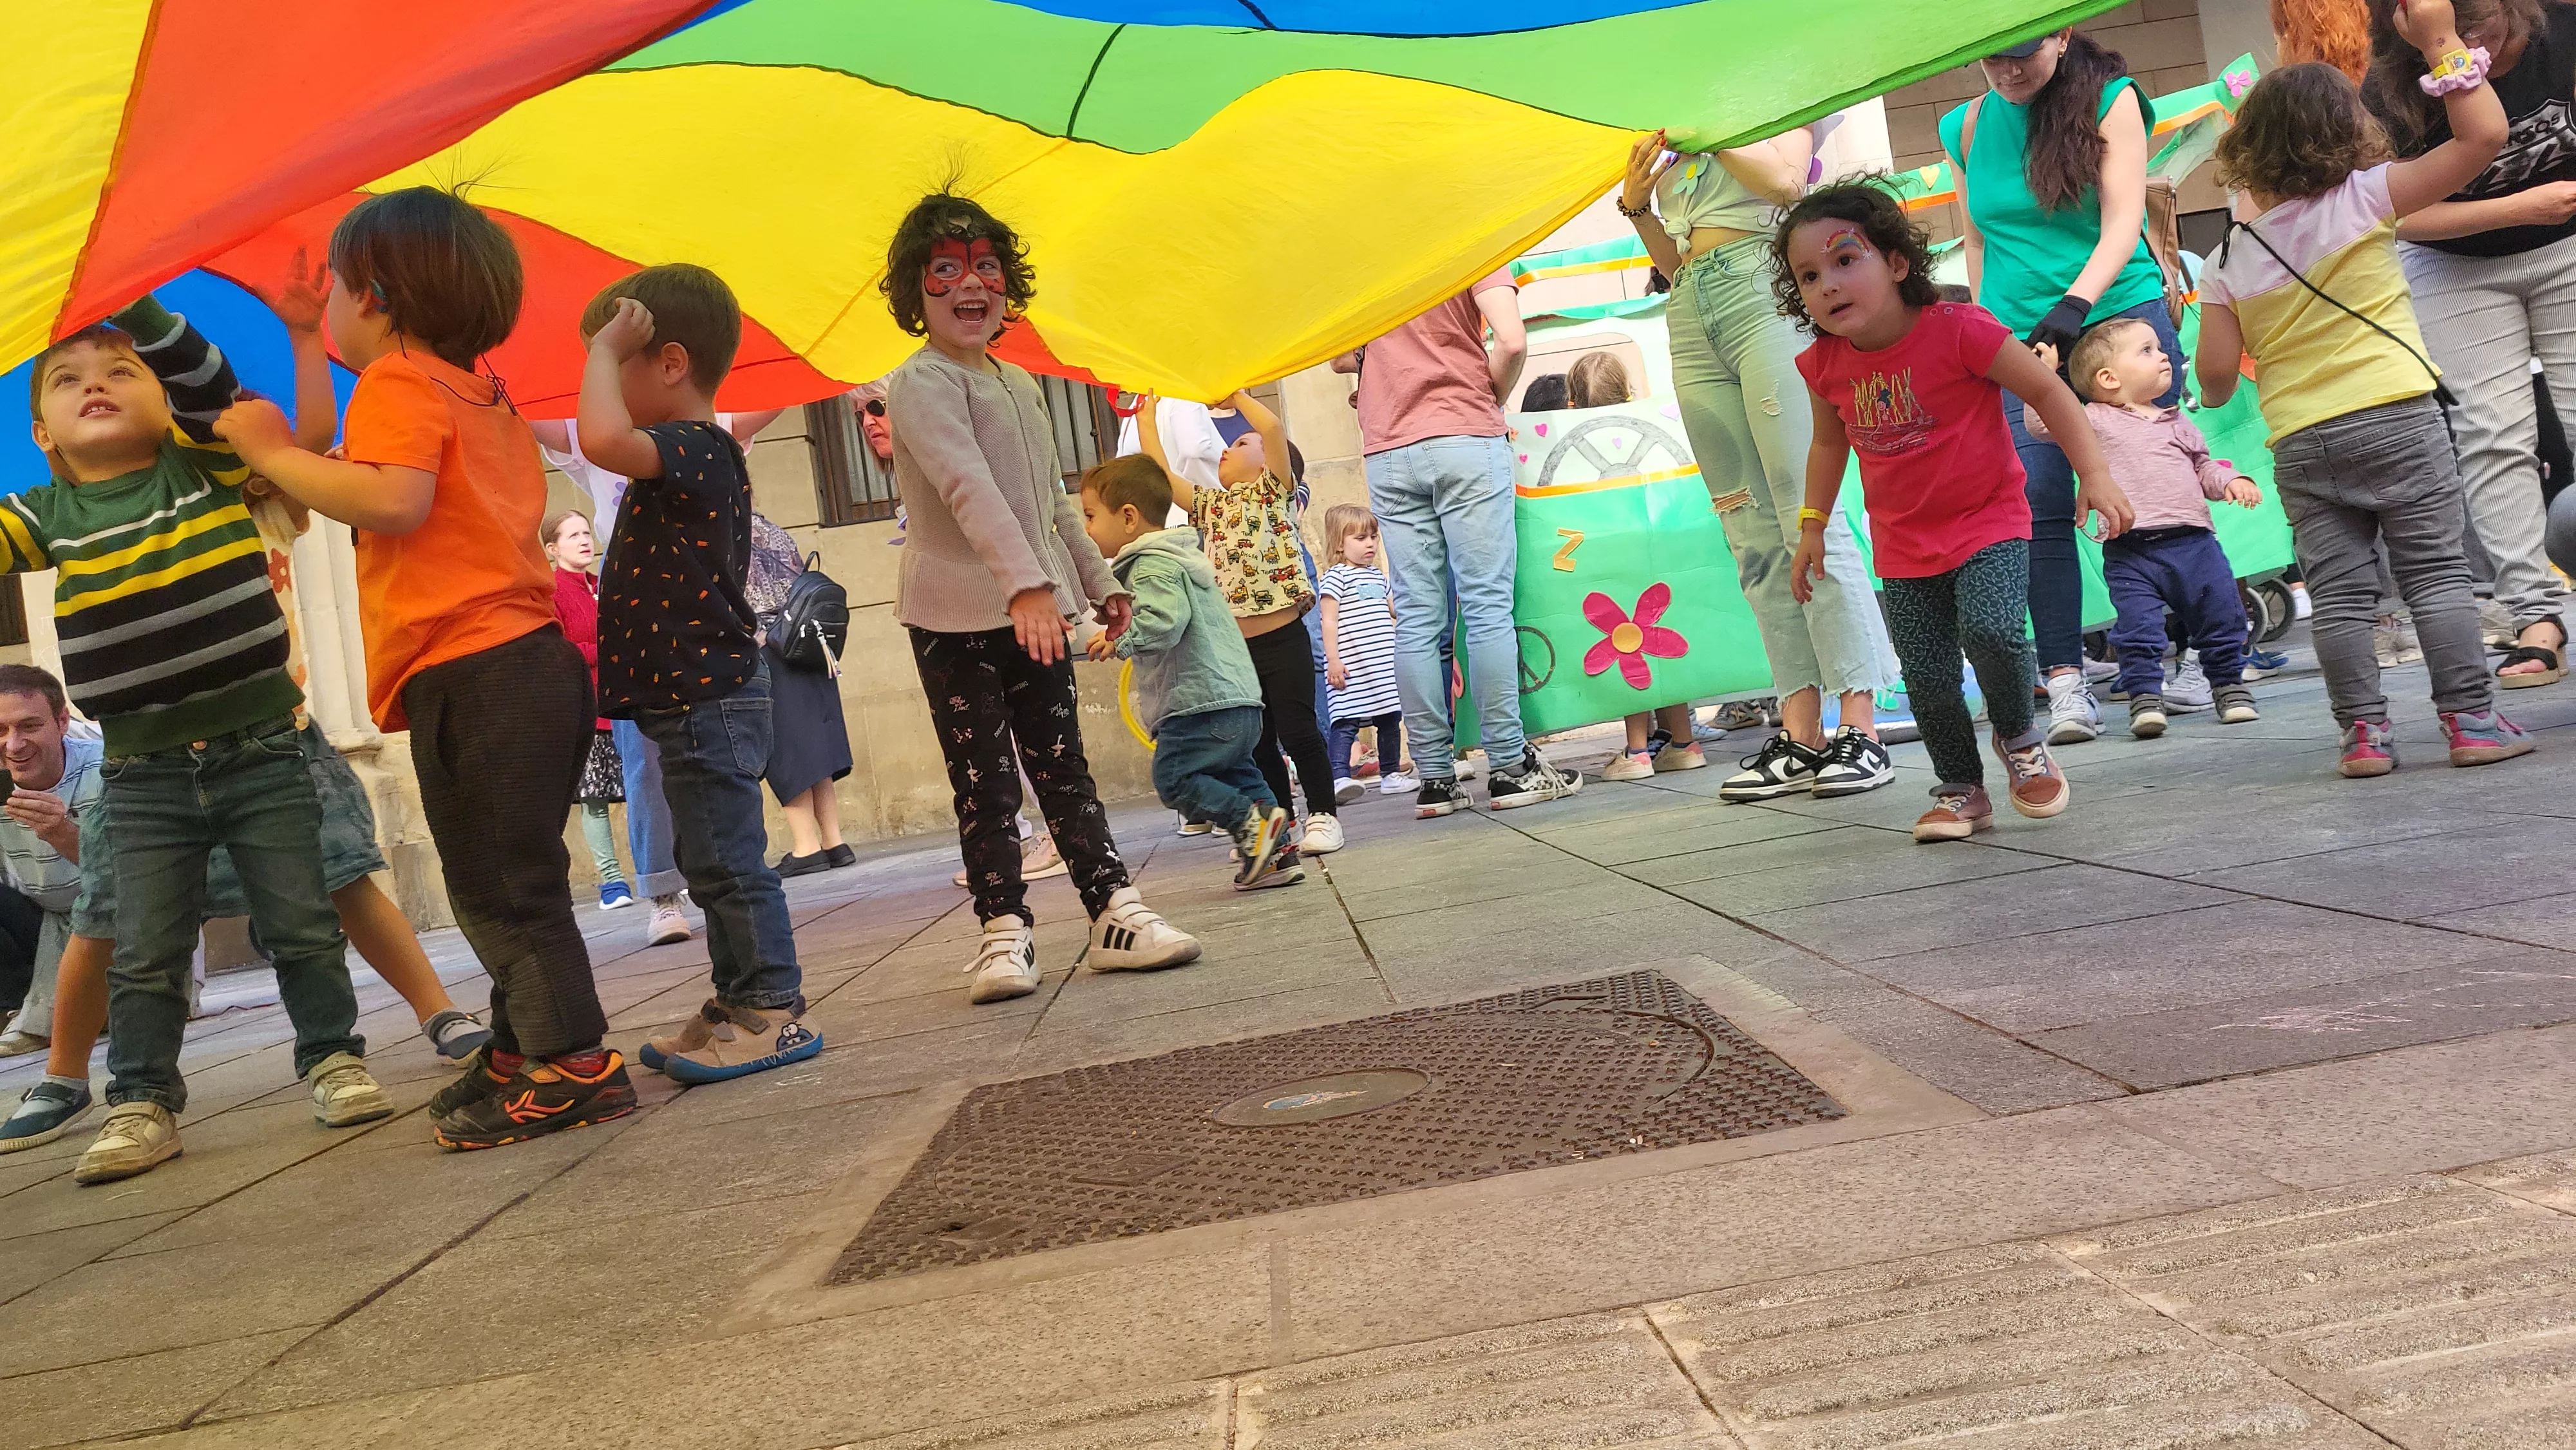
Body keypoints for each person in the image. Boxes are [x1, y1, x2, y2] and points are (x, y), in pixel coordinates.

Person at [220, 185, 632, 1149]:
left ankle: (573, 1063)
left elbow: (387, 499)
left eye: (334, 299)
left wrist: (271, 450)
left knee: (501, 886)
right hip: (524, 665)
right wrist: (297, 348)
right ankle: (523, 1041)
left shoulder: (405, 386)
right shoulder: (471, 385)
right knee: (503, 872)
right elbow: (337, 458)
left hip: (481, 671)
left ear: (374, 297)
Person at [12, 295, 388, 1186]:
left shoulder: (207, 465)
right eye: (68, 381)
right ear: (43, 435)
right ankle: (141, 1101)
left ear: (164, 397)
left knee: (300, 923)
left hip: (259, 747)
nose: (95, 384)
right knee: (143, 949)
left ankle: (334, 1059)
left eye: (121, 369)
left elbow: (211, 385)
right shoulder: (43, 513)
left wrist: (130, 300)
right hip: (141, 772)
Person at [880, 192, 1200, 1004]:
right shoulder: (918, 382)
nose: (968, 286)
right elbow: (967, 485)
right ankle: (1002, 932)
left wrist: (1099, 582)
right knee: (984, 778)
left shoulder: (1018, 384)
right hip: (954, 614)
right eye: (944, 271)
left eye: (985, 266)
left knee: (1063, 766)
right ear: (914, 295)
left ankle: (1113, 912)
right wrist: (1028, 585)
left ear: (1007, 285)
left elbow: (1050, 500)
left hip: (1036, 609)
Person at [2197, 28, 2536, 777]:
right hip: (2396, 413)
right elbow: (2483, 135)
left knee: (2340, 593)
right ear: (2348, 132)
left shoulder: (2228, 259)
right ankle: (2471, 720)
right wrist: (2446, 47)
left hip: (2302, 440)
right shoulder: (2366, 198)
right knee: (2436, 574)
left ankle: (2363, 736)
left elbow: (2215, 378)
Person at [1776, 183, 2129, 843]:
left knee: (1994, 633)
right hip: (1903, 544)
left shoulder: (1960, 329)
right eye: (1808, 276)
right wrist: (1811, 526)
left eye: (1846, 260)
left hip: (1987, 521)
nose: (1826, 284)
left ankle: (2021, 739)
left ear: (1899, 263)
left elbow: (2049, 391)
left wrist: (2096, 473)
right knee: (1929, 675)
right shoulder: (1823, 363)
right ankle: (1961, 788)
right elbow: (1829, 443)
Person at [573, 267, 822, 1084]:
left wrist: (601, 352)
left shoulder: (695, 447)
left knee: (729, 861)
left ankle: (772, 1008)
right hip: (690, 693)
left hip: (710, 691)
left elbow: (600, 439)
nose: (608, 380)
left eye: (622, 366)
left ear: (669, 362)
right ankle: (736, 997)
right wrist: (611, 355)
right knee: (710, 858)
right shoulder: (683, 456)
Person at [1615, 126, 1900, 798]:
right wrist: (1636, 210)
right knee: (1747, 531)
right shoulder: (1669, 138)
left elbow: (1787, 186)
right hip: (1689, 305)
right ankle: (1801, 731)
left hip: (1760, 291)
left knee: (1808, 510)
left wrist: (1704, 128)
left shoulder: (1759, 106)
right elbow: (1676, 259)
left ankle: (1860, 724)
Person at [1944, 28, 2175, 746]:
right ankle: (2066, 681)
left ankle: (2179, 664)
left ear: (2062, 33)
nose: (2009, 69)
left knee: (2151, 497)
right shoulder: (1965, 124)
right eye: (1992, 56)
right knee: (2038, 507)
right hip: (2020, 342)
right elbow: (1977, 241)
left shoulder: (2111, 99)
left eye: (2024, 52)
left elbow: (2122, 221)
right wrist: (1984, 338)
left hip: (2112, 320)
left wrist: (2074, 308)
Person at [2365, 0, 2576, 689]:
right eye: (2450, 25)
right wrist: (2521, 207)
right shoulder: (2388, 87)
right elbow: (2395, 213)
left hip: (2568, 245)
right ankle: (2534, 616)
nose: (2470, 38)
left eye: (2480, 21)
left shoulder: (2563, 32)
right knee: (2492, 433)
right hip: (2455, 262)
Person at [1332, 269, 1584, 817]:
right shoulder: (1469, 238)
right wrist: (1483, 394)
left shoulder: (1359, 251)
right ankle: (1511, 766)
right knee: (1486, 605)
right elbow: (1512, 340)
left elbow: (1338, 356)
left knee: (1418, 615)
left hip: (1389, 448)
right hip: (1463, 434)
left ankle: (1435, 779)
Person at [534, 408, 779, 948]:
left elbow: (760, 404)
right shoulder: (593, 432)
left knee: (720, 768)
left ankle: (735, 893)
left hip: (707, 621)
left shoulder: (704, 422)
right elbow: (538, 415)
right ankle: (665, 895)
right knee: (646, 772)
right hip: (641, 626)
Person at [2034, 320, 2266, 737]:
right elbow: (2043, 425)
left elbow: (2203, 468)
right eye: (2146, 350)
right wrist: (2044, 378)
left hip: (2195, 543)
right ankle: (2145, 698)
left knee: (2222, 615)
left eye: (2160, 348)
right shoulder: (2096, 419)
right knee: (2138, 628)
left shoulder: (2178, 421)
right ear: (2108, 378)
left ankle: (2228, 687)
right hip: (2131, 550)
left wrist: (2230, 481)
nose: (2163, 356)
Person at [1137, 389, 1340, 856]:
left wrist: (1237, 396)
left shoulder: (1274, 493)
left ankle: (1325, 816)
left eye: (1242, 444)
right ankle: (1278, 828)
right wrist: (1147, 419)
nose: (1227, 448)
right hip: (1236, 650)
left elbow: (1271, 429)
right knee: (1259, 743)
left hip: (1283, 637)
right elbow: (1163, 478)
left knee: (1299, 730)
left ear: (1270, 461)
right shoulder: (1211, 506)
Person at [1082, 455, 1298, 890]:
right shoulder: (1182, 558)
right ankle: (1276, 855)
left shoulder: (1151, 565)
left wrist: (1118, 639)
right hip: (1237, 699)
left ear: (1128, 518)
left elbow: (1164, 621)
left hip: (1196, 702)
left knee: (1175, 778)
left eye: (1089, 516)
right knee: (1240, 775)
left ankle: (1251, 829)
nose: (1084, 528)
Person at [1552, 352, 1711, 783]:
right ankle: (1684, 742)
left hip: (1608, 561)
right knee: (1660, 645)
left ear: (1571, 406)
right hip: (1658, 555)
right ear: (1629, 394)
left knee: (1624, 648)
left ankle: (1637, 751)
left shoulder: (1572, 446)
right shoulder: (1650, 429)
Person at [746, 511, 857, 877]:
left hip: (771, 645)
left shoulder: (721, 527)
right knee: (816, 747)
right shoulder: (770, 525)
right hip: (808, 640)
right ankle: (833, 841)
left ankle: (806, 846)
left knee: (787, 748)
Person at [544, 509, 636, 909]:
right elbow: (559, 650)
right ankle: (612, 883)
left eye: (586, 533)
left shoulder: (606, 586)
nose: (585, 541)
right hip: (588, 709)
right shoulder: (552, 591)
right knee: (595, 800)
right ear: (553, 548)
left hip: (629, 705)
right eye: (573, 536)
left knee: (645, 791)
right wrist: (608, 651)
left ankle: (661, 871)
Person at [1318, 505, 1412, 798]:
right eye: (1360, 538)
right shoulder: (1337, 577)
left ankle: (1391, 773)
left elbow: (1394, 609)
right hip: (1351, 666)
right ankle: (1339, 778)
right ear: (1338, 544)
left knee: (1390, 719)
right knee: (1345, 721)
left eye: (1373, 537)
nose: (1370, 543)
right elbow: (1328, 619)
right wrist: (1333, 659)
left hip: (1383, 667)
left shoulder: (1377, 577)